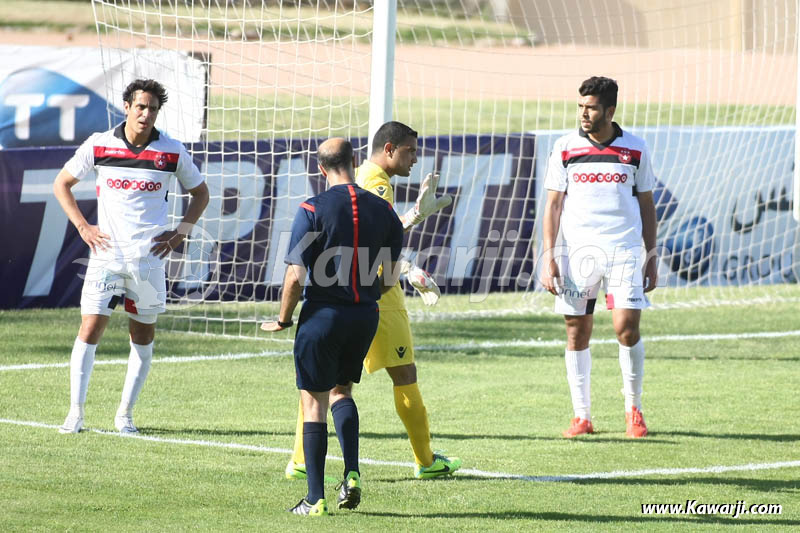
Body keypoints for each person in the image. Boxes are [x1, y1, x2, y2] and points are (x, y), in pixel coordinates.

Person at [282, 121, 462, 481]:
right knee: (401, 374)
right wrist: (407, 261)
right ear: (391, 149)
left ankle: (302, 460)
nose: (415, 159)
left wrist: (412, 216)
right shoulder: (376, 183)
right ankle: (426, 461)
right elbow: (373, 233)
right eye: (410, 151)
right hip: (375, 295)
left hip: (353, 293)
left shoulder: (367, 177)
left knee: (326, 383)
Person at [53, 79, 209, 435]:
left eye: (152, 108)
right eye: (140, 106)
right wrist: (83, 227)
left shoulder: (171, 151)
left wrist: (180, 233)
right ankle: (75, 413)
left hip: (149, 261)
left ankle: (125, 416)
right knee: (89, 329)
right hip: (106, 257)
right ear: (127, 106)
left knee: (143, 336)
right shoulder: (99, 144)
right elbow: (61, 184)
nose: (146, 114)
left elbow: (200, 193)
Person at [262, 137, 404, 516]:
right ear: (355, 162)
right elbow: (390, 277)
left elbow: (295, 276)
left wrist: (283, 319)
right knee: (344, 392)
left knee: (313, 403)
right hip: (364, 315)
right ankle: (352, 473)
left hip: (322, 315)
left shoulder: (311, 208)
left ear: (321, 169)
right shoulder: (385, 211)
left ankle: (314, 499)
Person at [541, 76, 658, 439]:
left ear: (610, 110)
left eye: (591, 107)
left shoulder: (635, 149)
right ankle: (582, 416)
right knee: (576, 331)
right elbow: (554, 205)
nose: (583, 114)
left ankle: (633, 410)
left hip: (623, 250)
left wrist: (651, 254)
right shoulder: (564, 148)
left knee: (626, 327)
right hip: (578, 254)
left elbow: (647, 205)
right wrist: (549, 254)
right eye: (580, 107)